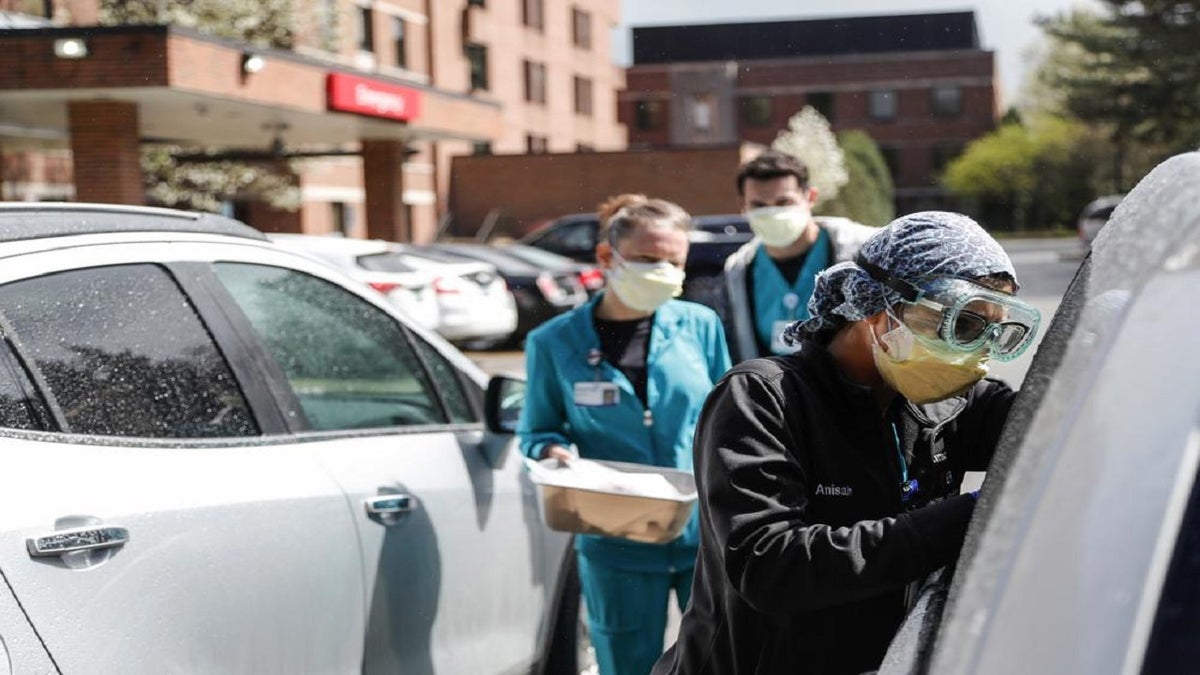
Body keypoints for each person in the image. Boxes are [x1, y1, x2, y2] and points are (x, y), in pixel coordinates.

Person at [654, 211, 1042, 675]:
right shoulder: (763, 396)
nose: (978, 354)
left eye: (995, 332)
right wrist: (972, 515)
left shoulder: (946, 401)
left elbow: (1062, 426)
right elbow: (769, 567)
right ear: (879, 311)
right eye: (964, 326)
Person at [518, 194, 732, 675]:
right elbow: (537, 430)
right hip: (616, 536)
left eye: (674, 262)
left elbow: (730, 416)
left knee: (719, 658)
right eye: (647, 259)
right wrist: (553, 452)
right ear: (605, 257)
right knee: (627, 663)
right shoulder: (553, 343)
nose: (663, 271)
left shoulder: (700, 326)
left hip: (703, 531)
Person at [722, 149, 876, 362]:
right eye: (759, 205)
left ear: (810, 197)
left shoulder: (862, 250)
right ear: (743, 206)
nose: (772, 213)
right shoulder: (739, 269)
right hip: (776, 390)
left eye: (783, 203)